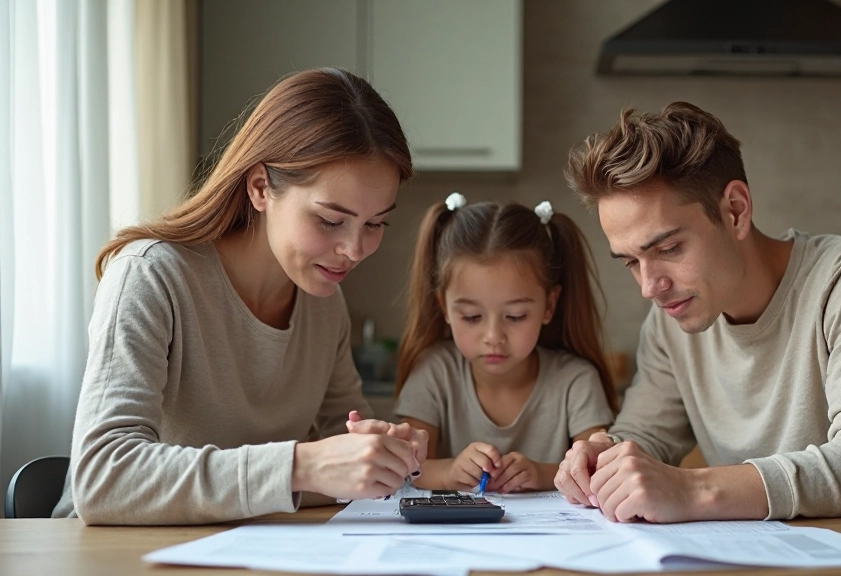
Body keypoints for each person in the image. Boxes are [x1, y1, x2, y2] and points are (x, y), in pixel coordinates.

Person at [52, 68, 427, 525]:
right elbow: (103, 479)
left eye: (375, 224)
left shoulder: (323, 299)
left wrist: (378, 453)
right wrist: (303, 466)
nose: (353, 250)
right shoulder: (151, 275)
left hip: (248, 548)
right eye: (331, 220)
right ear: (260, 187)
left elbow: (338, 446)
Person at [554, 102, 841, 523]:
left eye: (668, 249)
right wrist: (605, 457)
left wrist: (693, 489)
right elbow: (645, 437)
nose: (650, 286)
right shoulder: (670, 321)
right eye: (632, 261)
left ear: (736, 210)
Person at [392, 193, 616, 493]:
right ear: (444, 307)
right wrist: (449, 472)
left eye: (515, 316)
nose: (493, 336)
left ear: (549, 306)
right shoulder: (434, 372)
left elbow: (596, 468)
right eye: (472, 317)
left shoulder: (576, 380)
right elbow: (408, 467)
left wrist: (542, 474)